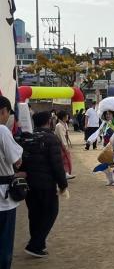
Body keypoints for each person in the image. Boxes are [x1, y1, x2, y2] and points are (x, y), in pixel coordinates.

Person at [19, 111, 68, 259]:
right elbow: (57, 164)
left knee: (34, 214)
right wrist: (63, 184)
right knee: (51, 212)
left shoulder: (26, 138)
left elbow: (21, 162)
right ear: (48, 121)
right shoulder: (50, 138)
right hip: (46, 184)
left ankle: (39, 245)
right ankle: (35, 245)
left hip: (29, 184)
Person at [0, 96, 23, 269]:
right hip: (3, 196)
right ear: (3, 111)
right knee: (4, 243)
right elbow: (17, 160)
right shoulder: (2, 130)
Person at [54, 111, 75, 180]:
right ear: (63, 117)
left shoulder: (64, 124)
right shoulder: (59, 125)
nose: (68, 117)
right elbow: (62, 137)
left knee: (65, 158)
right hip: (60, 144)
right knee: (64, 159)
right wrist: (65, 146)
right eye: (67, 116)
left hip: (62, 143)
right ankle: (65, 173)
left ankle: (65, 173)